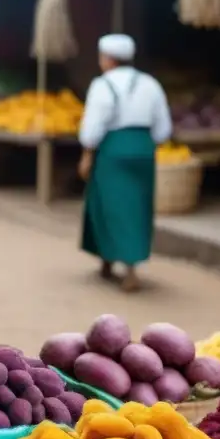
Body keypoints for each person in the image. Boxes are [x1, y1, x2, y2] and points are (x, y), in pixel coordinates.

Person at [78, 34, 172, 292]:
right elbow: (163, 129)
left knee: (108, 205)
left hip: (113, 150)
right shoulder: (150, 84)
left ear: (107, 59)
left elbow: (93, 126)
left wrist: (87, 153)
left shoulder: (102, 85)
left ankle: (112, 261)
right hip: (143, 149)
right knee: (137, 207)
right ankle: (125, 265)